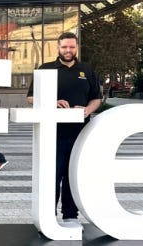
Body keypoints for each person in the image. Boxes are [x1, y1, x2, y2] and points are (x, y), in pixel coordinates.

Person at [26, 32, 102, 224]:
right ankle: (48, 216)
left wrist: (87, 110)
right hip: (53, 133)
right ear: (58, 48)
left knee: (72, 175)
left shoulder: (86, 70)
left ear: (76, 48)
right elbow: (30, 97)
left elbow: (96, 98)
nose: (68, 51)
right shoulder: (46, 69)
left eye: (71, 47)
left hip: (80, 133)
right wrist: (51, 102)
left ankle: (70, 215)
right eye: (64, 47)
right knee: (52, 175)